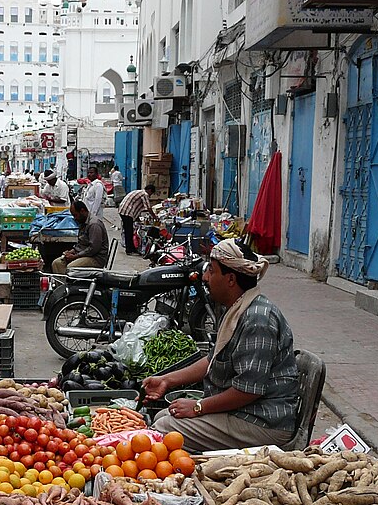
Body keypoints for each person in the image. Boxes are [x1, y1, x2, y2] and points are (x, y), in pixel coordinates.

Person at [147, 238, 298, 451]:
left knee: (164, 429)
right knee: (165, 415)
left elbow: (248, 391)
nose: (206, 277)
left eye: (212, 270)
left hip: (262, 421)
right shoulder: (237, 308)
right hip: (246, 412)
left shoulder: (257, 319)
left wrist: (199, 407)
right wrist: (167, 380)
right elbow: (212, 359)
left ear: (230, 279)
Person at [51, 200, 109, 274]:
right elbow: (81, 243)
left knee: (71, 268)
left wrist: (75, 256)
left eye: (75, 215)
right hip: (84, 254)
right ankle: (62, 284)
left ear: (82, 211)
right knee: (57, 263)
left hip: (95, 258)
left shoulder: (94, 225)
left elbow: (94, 249)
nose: (74, 218)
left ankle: (70, 284)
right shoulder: (82, 222)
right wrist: (71, 252)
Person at [118, 185, 158, 255]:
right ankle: (129, 250)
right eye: (151, 193)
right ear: (150, 190)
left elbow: (137, 206)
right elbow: (148, 207)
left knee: (129, 230)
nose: (150, 195)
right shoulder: (144, 194)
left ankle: (132, 248)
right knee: (129, 231)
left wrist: (137, 219)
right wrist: (154, 217)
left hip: (123, 210)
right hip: (127, 212)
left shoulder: (138, 192)